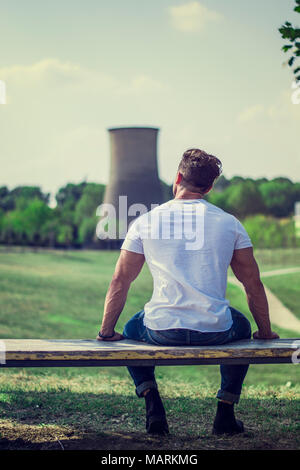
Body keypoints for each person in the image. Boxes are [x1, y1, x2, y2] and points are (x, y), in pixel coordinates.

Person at [97, 148, 279, 436]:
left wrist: (107, 332)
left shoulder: (145, 221)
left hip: (161, 329)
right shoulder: (230, 223)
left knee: (131, 330)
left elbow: (120, 280)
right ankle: (225, 411)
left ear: (178, 177)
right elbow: (252, 284)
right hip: (216, 329)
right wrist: (265, 332)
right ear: (208, 187)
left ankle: (152, 402)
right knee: (243, 327)